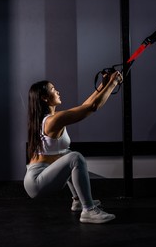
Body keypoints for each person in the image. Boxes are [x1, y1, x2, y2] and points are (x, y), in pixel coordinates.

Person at [23, 70, 123, 224]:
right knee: (74, 158)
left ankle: (78, 200)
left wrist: (103, 86)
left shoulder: (48, 119)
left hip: (38, 177)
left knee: (66, 154)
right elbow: (93, 107)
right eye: (52, 89)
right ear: (44, 98)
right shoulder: (52, 121)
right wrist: (113, 83)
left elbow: (85, 106)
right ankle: (88, 210)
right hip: (37, 182)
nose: (57, 91)